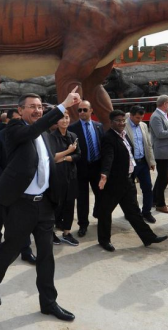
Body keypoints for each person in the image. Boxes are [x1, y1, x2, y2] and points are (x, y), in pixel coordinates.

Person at [0, 89, 81, 322]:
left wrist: (67, 155)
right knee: (11, 249)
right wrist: (62, 106)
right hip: (21, 205)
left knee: (46, 255)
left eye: (40, 106)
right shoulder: (15, 130)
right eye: (32, 106)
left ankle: (48, 302)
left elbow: (48, 160)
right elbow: (31, 131)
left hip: (44, 205)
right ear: (20, 110)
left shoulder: (46, 136)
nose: (37, 110)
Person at [97, 110, 168, 252]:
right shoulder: (108, 138)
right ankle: (104, 240)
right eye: (118, 121)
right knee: (105, 212)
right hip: (113, 183)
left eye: (123, 120)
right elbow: (108, 157)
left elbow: (129, 156)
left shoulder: (124, 136)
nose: (121, 123)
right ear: (111, 123)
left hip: (127, 180)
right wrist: (104, 174)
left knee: (133, 212)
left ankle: (148, 237)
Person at [0, 109, 37, 264]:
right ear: (9, 121)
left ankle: (25, 250)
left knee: (22, 219)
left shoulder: (28, 135)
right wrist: (4, 181)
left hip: (22, 186)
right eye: (16, 120)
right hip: (5, 184)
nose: (20, 123)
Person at [68, 100, 104, 237]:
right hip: (80, 169)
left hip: (96, 167)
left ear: (91, 110)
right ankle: (83, 224)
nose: (82, 112)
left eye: (84, 110)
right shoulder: (72, 129)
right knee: (82, 199)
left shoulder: (99, 126)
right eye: (79, 110)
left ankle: (100, 216)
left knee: (100, 194)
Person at [50, 110, 81, 245]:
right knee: (56, 205)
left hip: (71, 176)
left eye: (67, 118)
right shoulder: (51, 137)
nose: (65, 120)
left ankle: (67, 232)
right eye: (62, 118)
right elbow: (53, 158)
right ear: (56, 121)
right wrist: (68, 151)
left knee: (69, 204)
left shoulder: (73, 135)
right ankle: (50, 232)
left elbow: (79, 154)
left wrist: (67, 157)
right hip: (57, 177)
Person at [124, 106, 157, 223]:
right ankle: (132, 212)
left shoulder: (143, 125)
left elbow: (148, 144)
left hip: (143, 162)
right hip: (130, 164)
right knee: (130, 190)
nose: (139, 120)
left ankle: (146, 212)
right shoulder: (123, 126)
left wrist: (151, 161)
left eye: (141, 118)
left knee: (147, 187)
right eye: (137, 118)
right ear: (131, 115)